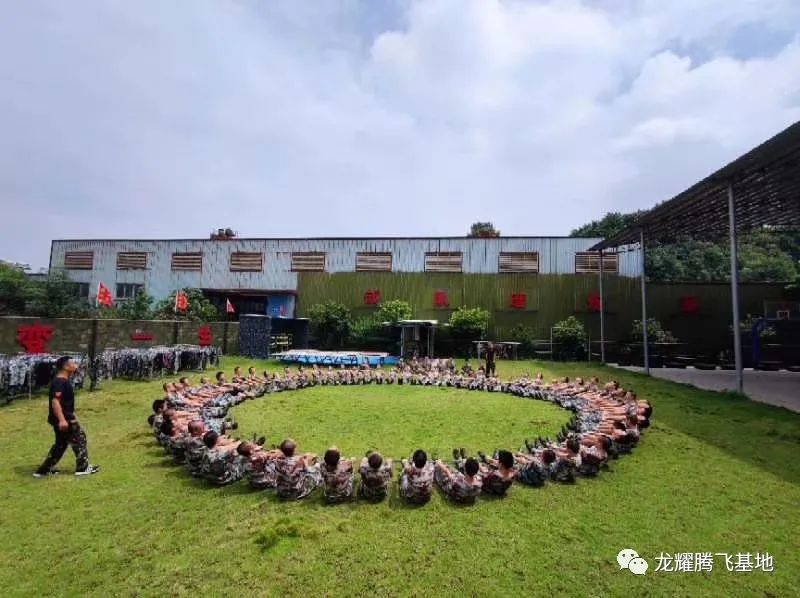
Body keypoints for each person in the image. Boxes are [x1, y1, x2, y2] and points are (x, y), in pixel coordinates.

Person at [34, 356, 100, 478]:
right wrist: (62, 420)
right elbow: (55, 402)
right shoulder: (60, 382)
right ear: (65, 366)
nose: (75, 365)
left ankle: (43, 470)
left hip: (66, 418)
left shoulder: (64, 381)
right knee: (80, 440)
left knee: (60, 444)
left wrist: (75, 417)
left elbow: (67, 404)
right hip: (64, 420)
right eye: (73, 363)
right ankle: (83, 467)